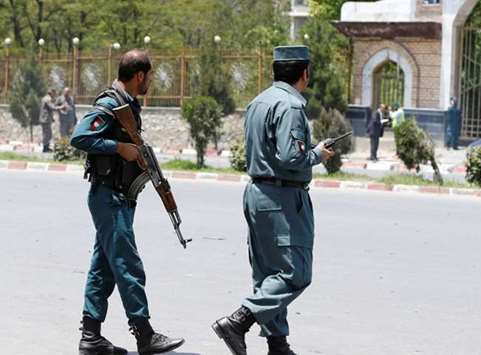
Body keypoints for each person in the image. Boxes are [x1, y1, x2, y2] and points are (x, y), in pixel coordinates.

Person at [211, 45, 335, 355]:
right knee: (295, 273)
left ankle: (278, 345)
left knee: (268, 273)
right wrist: (317, 154)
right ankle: (238, 321)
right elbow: (290, 155)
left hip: (258, 194)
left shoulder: (258, 102)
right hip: (283, 196)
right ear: (304, 73)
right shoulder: (291, 106)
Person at [70, 49, 184, 355]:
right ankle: (144, 334)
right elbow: (79, 137)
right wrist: (119, 147)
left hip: (118, 195)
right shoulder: (110, 103)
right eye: (150, 77)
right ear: (140, 76)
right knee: (128, 264)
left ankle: (91, 335)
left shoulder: (128, 106)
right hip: (109, 197)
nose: (150, 83)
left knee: (103, 268)